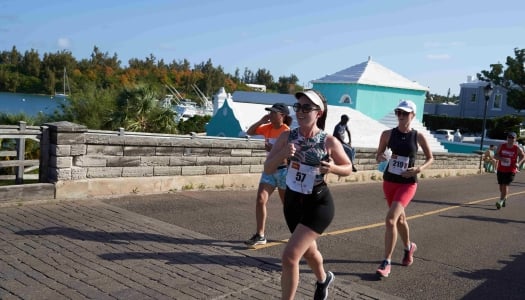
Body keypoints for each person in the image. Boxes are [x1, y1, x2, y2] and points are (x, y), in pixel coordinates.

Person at [264, 90, 352, 300]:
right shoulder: (287, 137)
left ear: (318, 113)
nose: (300, 112)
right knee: (309, 251)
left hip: (318, 203)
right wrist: (282, 155)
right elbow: (268, 168)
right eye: (298, 107)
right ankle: (324, 280)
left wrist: (332, 168)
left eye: (306, 108)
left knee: (290, 256)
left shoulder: (328, 141)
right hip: (293, 202)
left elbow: (348, 167)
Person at [375, 100, 434, 278]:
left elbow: (431, 158)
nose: (401, 116)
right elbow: (378, 155)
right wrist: (381, 157)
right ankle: (409, 247)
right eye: (398, 113)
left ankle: (386, 262)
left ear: (412, 115)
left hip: (408, 183)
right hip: (389, 182)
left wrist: (419, 169)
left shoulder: (418, 136)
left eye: (405, 113)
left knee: (391, 220)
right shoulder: (386, 134)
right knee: (400, 220)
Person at [244, 103, 293, 247]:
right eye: (270, 113)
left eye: (273, 113)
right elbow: (250, 132)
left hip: (284, 171)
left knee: (288, 206)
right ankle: (260, 235)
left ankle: (297, 234)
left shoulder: (287, 132)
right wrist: (261, 121)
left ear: (282, 116)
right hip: (269, 171)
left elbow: (290, 157)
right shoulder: (268, 128)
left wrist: (274, 150)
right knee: (260, 199)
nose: (270, 115)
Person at [493, 131, 525, 209]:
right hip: (501, 169)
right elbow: (495, 156)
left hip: (511, 170)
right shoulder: (501, 146)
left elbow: (523, 156)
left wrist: (519, 163)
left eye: (512, 138)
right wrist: (501, 158)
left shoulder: (517, 148)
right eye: (509, 137)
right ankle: (504, 198)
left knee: (505, 185)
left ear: (515, 139)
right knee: (501, 186)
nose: (510, 139)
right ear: (507, 138)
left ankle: (500, 201)